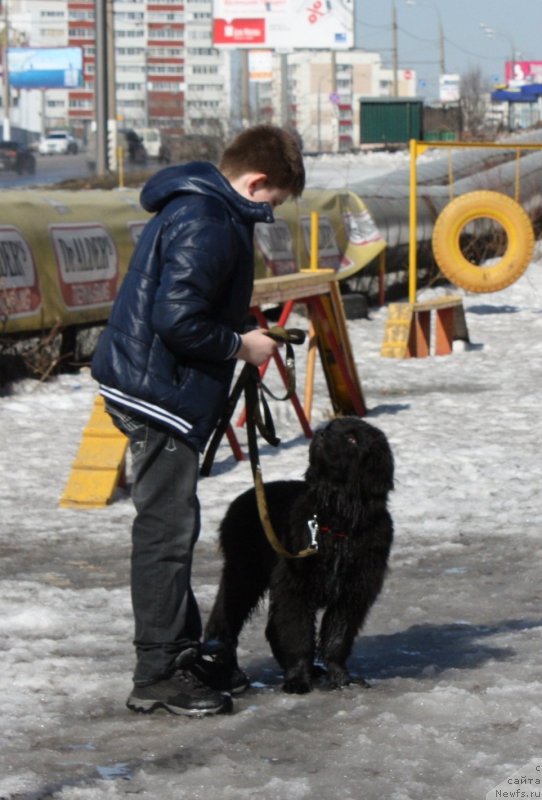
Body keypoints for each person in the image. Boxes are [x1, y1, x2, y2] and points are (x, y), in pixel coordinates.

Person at [91, 125, 305, 717]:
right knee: (166, 530)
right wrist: (243, 346)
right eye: (273, 202)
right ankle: (157, 673)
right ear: (256, 181)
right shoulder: (207, 220)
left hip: (158, 383)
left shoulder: (202, 208)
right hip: (158, 390)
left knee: (173, 525)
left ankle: (181, 655)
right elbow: (178, 319)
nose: (270, 213)